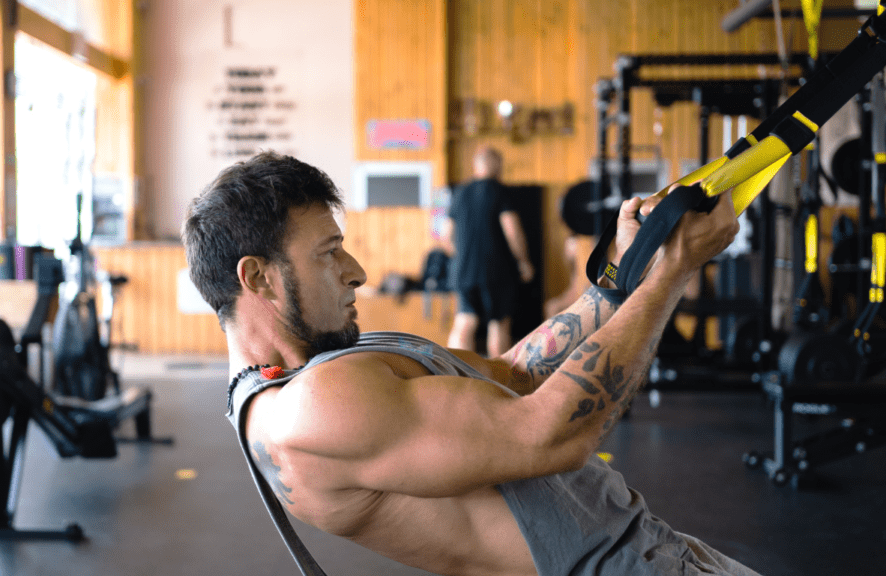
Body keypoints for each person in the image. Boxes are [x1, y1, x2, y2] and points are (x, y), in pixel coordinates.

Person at [182, 151, 759, 576]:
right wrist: (672, 272)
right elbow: (550, 434)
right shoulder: (308, 411)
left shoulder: (329, 361)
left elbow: (511, 376)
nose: (355, 271)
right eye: (329, 254)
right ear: (257, 277)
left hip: (653, 547)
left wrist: (617, 283)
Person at [444, 145, 535, 357]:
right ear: (497, 165)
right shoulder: (500, 191)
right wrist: (523, 260)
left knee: (464, 321)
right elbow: (512, 231)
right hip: (495, 271)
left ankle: (456, 377)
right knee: (498, 324)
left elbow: (446, 235)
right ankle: (498, 381)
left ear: (476, 165)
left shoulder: (460, 193)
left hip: (463, 270)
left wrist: (461, 258)